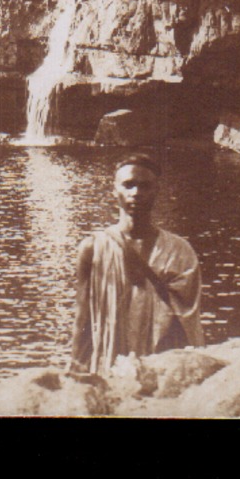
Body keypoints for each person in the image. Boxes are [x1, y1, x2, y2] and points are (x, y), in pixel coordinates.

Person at [69, 152, 204, 374]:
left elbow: (189, 322)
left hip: (161, 365)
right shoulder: (93, 248)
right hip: (110, 360)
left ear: (156, 191)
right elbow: (83, 317)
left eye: (145, 186)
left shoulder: (180, 252)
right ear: (115, 190)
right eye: (128, 185)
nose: (136, 193)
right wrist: (75, 368)